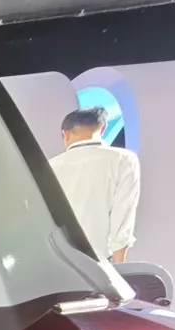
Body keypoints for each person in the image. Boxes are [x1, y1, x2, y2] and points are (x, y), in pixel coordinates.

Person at [48, 107, 141, 263]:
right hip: (100, 262)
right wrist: (119, 269)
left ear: (65, 134)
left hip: (59, 260)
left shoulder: (50, 166)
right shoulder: (124, 160)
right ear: (103, 129)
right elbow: (123, 217)